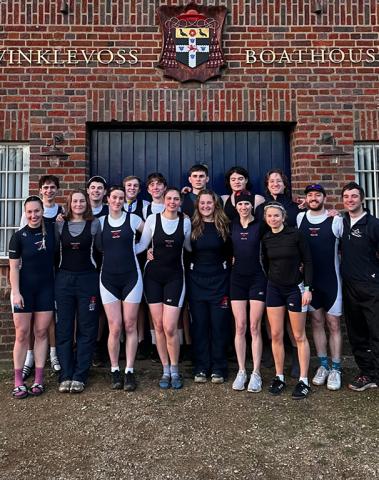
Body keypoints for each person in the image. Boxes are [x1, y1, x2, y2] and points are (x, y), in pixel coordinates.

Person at [137, 187, 191, 389]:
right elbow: (142, 245)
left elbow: (189, 248)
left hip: (175, 277)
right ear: (164, 200)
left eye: (176, 199)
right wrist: (120, 251)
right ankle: (165, 369)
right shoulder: (152, 219)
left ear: (180, 202)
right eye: (169, 198)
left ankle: (176, 369)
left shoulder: (185, 222)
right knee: (158, 326)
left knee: (170, 327)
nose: (172, 201)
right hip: (152, 277)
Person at [261, 201, 313, 399]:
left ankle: (303, 380)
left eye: (276, 215)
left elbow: (308, 261)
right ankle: (279, 376)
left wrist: (307, 288)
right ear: (266, 219)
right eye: (269, 216)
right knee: (275, 334)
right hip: (274, 289)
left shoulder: (295, 234)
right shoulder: (266, 238)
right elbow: (265, 263)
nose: (273, 219)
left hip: (295, 289)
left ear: (283, 217)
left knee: (299, 335)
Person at [55, 190, 102, 393]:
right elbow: (52, 251)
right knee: (64, 328)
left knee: (87, 328)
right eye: (75, 201)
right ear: (69, 203)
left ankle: (80, 374)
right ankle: (65, 374)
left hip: (87, 279)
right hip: (64, 279)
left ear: (87, 203)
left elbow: (102, 250)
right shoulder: (60, 224)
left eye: (82, 200)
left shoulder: (95, 224)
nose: (79, 204)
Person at [297, 184, 343, 391]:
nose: (313, 198)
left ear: (324, 198)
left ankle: (336, 368)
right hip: (311, 282)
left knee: (333, 324)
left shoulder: (336, 220)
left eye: (317, 195)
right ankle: (323, 365)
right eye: (310, 195)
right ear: (306, 199)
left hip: (332, 281)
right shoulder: (300, 219)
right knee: (316, 322)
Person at [9, 196, 55, 398]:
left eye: (37, 211)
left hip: (46, 289)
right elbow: (13, 268)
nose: (34, 215)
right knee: (22, 334)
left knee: (41, 332)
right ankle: (18, 380)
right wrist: (16, 291)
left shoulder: (53, 231)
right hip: (24, 291)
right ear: (25, 213)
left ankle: (38, 378)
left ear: (42, 211)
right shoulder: (18, 236)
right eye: (30, 212)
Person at [99, 185, 144, 391]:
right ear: (108, 199)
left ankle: (130, 370)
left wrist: (140, 249)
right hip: (107, 279)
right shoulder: (99, 222)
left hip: (131, 278)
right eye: (114, 197)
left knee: (130, 324)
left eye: (121, 198)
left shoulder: (133, 219)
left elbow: (151, 234)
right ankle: (115, 369)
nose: (117, 201)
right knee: (115, 326)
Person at [20, 175, 63, 380]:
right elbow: (21, 241)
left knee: (50, 315)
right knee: (29, 319)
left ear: (57, 190)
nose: (49, 190)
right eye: (45, 187)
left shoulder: (61, 212)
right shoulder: (30, 212)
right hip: (31, 271)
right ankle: (29, 356)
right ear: (40, 190)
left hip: (53, 268)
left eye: (52, 187)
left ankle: (53, 354)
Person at [188, 190, 232, 384]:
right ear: (198, 205)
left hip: (219, 281)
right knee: (199, 325)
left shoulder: (225, 226)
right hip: (196, 280)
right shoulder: (191, 225)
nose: (206, 206)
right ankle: (201, 367)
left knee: (219, 325)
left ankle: (219, 368)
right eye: (202, 203)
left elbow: (232, 253)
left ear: (215, 204)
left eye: (209, 203)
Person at [340, 182, 379, 391]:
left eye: (354, 196)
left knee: (376, 332)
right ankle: (367, 374)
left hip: (372, 287)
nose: (350, 200)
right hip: (349, 288)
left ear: (362, 199)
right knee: (357, 334)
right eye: (346, 196)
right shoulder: (341, 222)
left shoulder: (373, 224)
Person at [230, 191, 267, 393]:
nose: (243, 207)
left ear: (252, 206)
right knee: (240, 326)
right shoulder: (232, 225)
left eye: (247, 203)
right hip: (237, 280)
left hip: (257, 278)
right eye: (240, 204)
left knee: (254, 326)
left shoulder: (261, 225)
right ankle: (242, 370)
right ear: (236, 206)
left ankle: (256, 373)